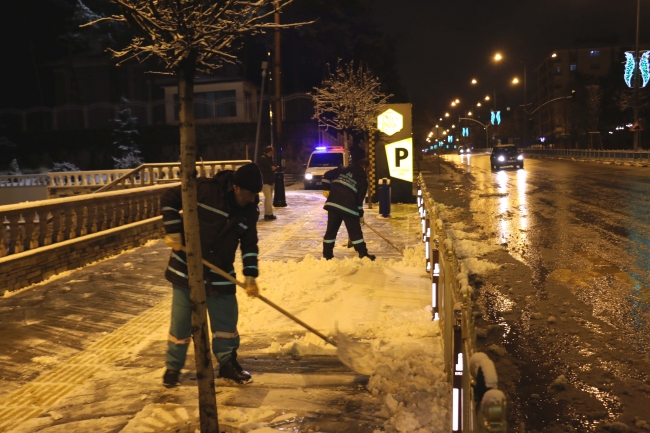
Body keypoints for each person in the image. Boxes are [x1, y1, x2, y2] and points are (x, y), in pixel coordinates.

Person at [160, 163, 263, 387]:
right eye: (250, 193)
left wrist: (251, 275)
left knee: (226, 319)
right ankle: (173, 368)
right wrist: (173, 231)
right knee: (181, 323)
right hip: (186, 267)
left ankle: (227, 363)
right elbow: (169, 198)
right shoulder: (205, 190)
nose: (253, 199)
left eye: (256, 194)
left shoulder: (248, 210)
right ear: (236, 187)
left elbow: (249, 244)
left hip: (220, 269)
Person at [321, 158, 375, 261]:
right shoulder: (363, 181)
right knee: (355, 232)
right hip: (349, 208)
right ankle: (363, 254)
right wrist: (360, 215)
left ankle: (327, 255)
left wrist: (326, 188)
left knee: (331, 231)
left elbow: (326, 175)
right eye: (369, 168)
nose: (370, 171)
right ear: (364, 167)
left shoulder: (342, 169)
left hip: (333, 204)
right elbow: (359, 202)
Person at [257, 146, 277, 220]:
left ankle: (267, 213)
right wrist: (272, 168)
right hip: (266, 181)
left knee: (269, 198)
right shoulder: (263, 159)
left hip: (270, 180)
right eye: (272, 151)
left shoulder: (269, 159)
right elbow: (267, 168)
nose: (273, 153)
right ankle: (269, 214)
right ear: (270, 151)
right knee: (268, 198)